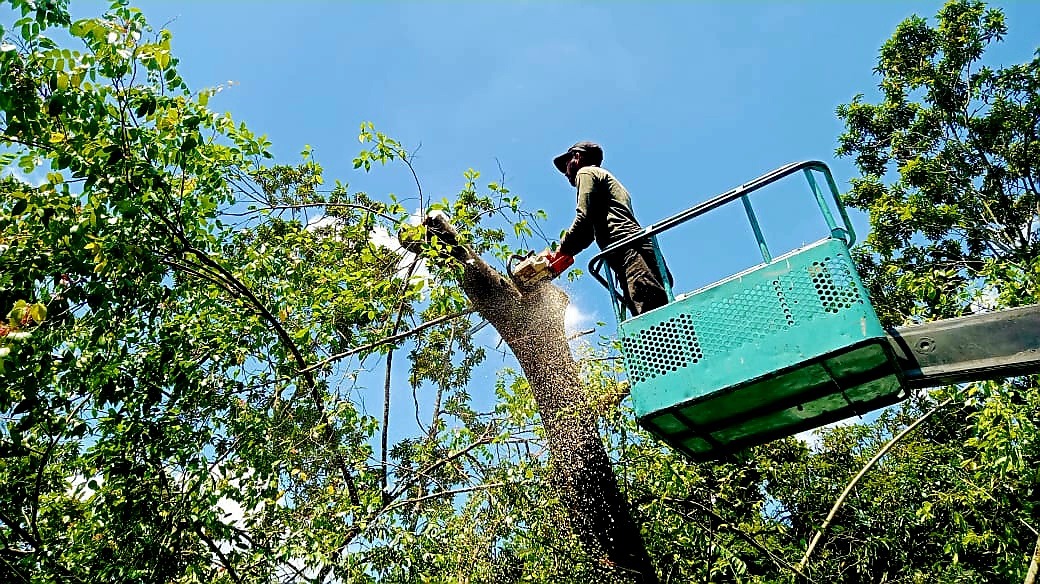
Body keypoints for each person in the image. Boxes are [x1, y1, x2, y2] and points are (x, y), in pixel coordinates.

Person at [546, 141, 671, 316]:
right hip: (634, 252)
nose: (565, 172)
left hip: (630, 251)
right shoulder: (606, 179)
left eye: (566, 163)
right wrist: (566, 254)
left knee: (651, 320)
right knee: (654, 315)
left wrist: (560, 250)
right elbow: (588, 232)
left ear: (577, 156)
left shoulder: (586, 172)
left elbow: (583, 219)